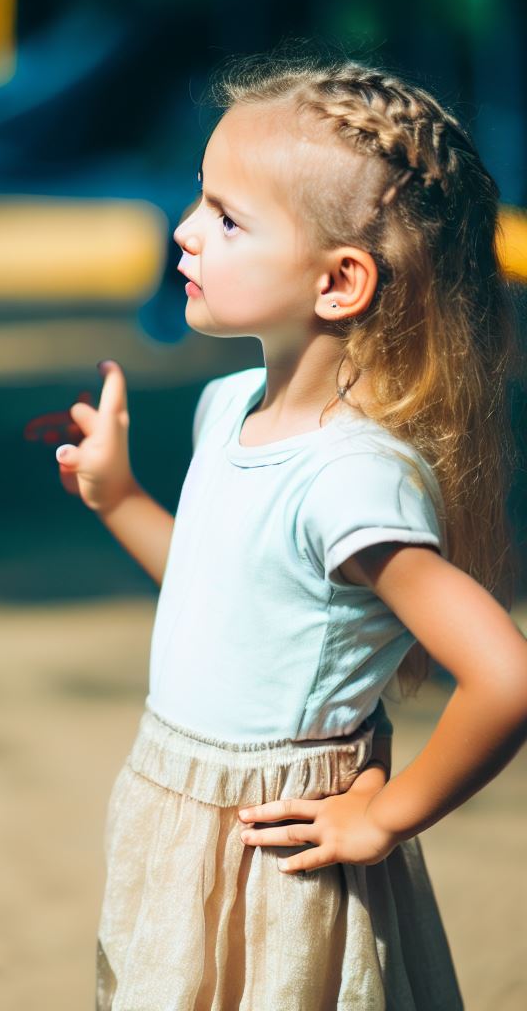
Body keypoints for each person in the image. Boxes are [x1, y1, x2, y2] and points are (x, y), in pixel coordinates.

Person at [55, 52, 527, 1010]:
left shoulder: (352, 477)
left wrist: (386, 816)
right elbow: (225, 594)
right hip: (174, 808)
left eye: (228, 218)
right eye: (199, 199)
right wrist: (119, 499)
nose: (184, 232)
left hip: (272, 846)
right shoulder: (227, 404)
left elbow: (506, 677)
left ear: (340, 281)